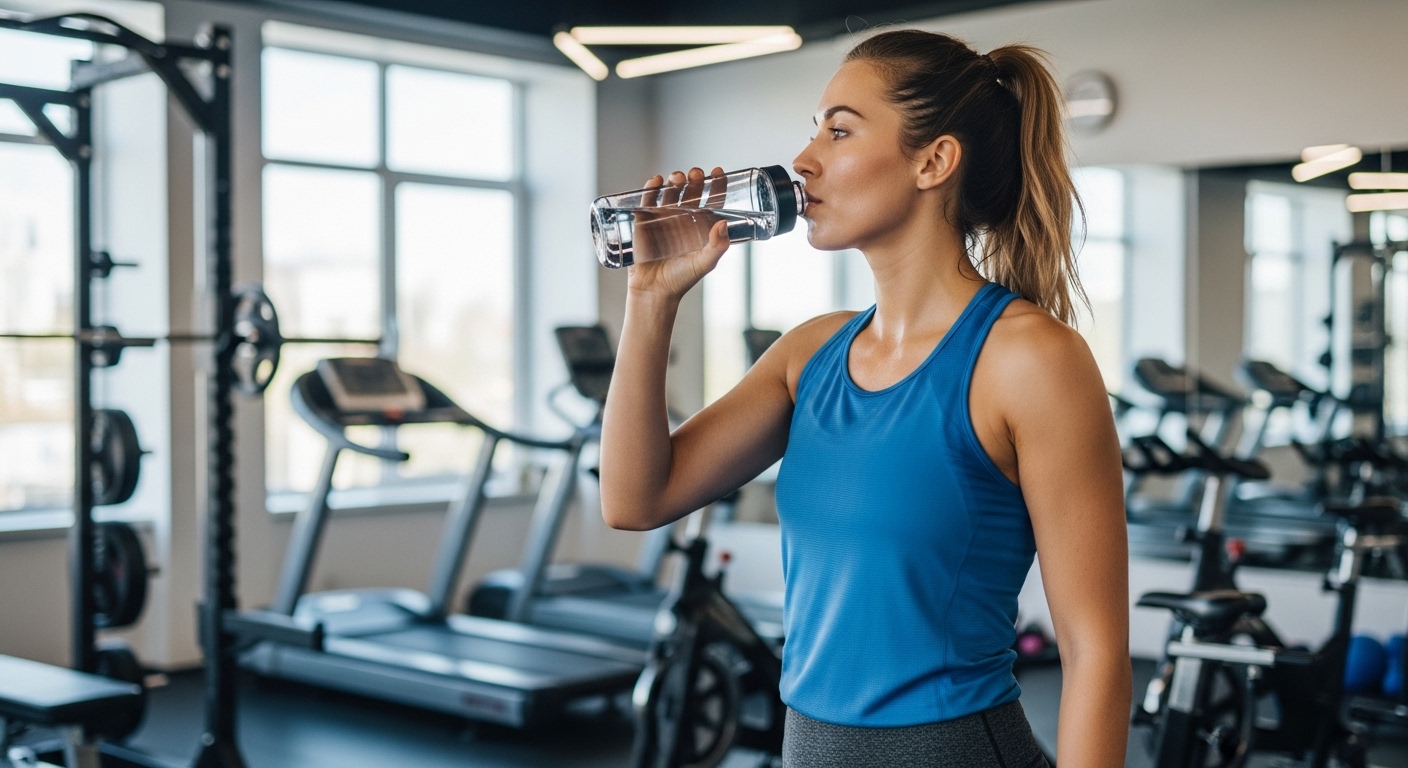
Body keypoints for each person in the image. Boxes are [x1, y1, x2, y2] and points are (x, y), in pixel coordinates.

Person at [599, 28, 1129, 768]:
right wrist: (650, 300)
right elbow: (633, 499)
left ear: (934, 160)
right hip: (808, 747)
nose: (806, 159)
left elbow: (1097, 651)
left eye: (839, 130)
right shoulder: (808, 353)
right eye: (812, 129)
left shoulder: (1030, 359)